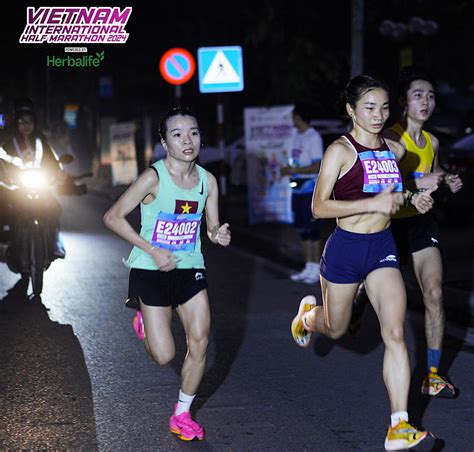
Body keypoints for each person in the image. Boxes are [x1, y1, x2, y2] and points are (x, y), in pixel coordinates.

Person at [290, 75, 436, 450]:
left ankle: (399, 426)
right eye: (369, 107)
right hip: (346, 248)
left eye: (384, 107)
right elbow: (319, 206)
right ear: (351, 110)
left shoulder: (394, 149)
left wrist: (413, 197)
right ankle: (308, 317)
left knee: (396, 332)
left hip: (382, 248)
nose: (378, 115)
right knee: (337, 329)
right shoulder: (340, 151)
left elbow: (393, 193)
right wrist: (371, 204)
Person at [103, 106, 231, 442]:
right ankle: (146, 323)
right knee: (165, 355)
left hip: (189, 267)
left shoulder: (207, 181)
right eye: (177, 134)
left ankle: (182, 414)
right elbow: (113, 217)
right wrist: (153, 250)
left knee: (200, 339)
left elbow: (211, 225)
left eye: (193, 132)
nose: (187, 140)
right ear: (164, 142)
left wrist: (218, 234)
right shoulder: (153, 178)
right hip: (150, 269)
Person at [349, 66, 462, 398]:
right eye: (417, 95)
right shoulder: (390, 139)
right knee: (368, 293)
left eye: (430, 96)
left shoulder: (433, 141)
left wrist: (446, 179)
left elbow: (434, 170)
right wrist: (416, 185)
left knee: (435, 293)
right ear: (402, 102)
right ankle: (356, 303)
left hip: (421, 224)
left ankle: (433, 374)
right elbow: (378, 185)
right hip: (389, 224)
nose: (425, 102)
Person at [0, 100, 66, 263]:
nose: (26, 125)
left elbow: (53, 161)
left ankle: (55, 242)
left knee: (55, 207)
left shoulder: (41, 141)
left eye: (30, 121)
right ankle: (4, 244)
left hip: (38, 186)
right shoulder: (7, 143)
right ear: (16, 123)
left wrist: (58, 174)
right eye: (22, 121)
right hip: (14, 187)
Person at [280, 103, 324, 284]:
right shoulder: (296, 136)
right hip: (297, 189)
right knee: (302, 229)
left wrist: (294, 171)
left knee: (312, 229)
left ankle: (317, 268)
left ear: (299, 117)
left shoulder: (313, 137)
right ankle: (308, 266)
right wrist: (289, 169)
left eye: (293, 117)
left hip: (310, 189)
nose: (292, 120)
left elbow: (317, 165)